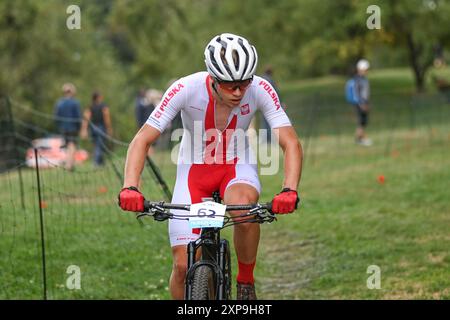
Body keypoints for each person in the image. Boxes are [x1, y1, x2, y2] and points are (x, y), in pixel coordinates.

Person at [118, 33, 303, 300]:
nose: (239, 92)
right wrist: (130, 187)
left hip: (236, 167)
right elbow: (142, 140)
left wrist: (289, 189)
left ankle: (246, 282)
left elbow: (290, 142)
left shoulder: (260, 88)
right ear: (213, 79)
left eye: (244, 83)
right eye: (230, 86)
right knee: (183, 267)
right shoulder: (185, 88)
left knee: (242, 210)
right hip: (194, 172)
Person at [54, 83, 82, 171]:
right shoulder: (75, 103)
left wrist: (60, 126)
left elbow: (56, 117)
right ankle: (69, 165)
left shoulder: (59, 103)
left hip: (63, 127)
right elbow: (78, 117)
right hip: (73, 127)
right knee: (72, 145)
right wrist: (79, 127)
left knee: (67, 146)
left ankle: (69, 163)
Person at [81, 92, 113, 166]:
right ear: (98, 97)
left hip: (93, 128)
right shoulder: (103, 106)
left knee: (96, 145)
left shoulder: (90, 106)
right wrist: (109, 128)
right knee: (100, 145)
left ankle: (101, 162)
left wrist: (84, 129)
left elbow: (86, 118)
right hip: (101, 127)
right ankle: (96, 162)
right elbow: (106, 117)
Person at [347, 59, 372, 146]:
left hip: (363, 103)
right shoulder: (358, 80)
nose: (367, 71)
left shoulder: (363, 79)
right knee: (361, 121)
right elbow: (357, 93)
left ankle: (360, 138)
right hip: (360, 104)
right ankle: (359, 139)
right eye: (365, 69)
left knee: (363, 121)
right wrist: (361, 103)